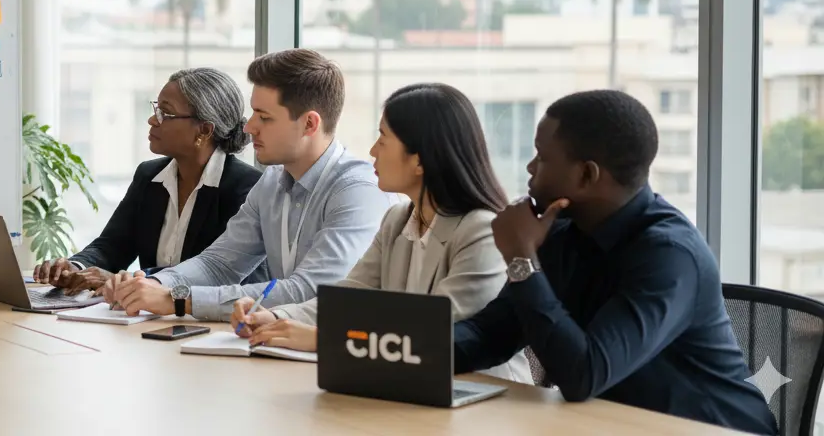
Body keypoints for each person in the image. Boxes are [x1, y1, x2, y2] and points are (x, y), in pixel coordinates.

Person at [453, 90, 777, 434]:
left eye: (542, 157)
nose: (530, 168)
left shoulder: (670, 255)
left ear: (587, 175)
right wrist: (408, 350)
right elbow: (491, 334)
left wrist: (520, 258)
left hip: (714, 429)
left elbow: (583, 374)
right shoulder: (561, 232)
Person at [228, 83, 533, 383]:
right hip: (411, 386)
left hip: (482, 394)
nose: (373, 151)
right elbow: (350, 297)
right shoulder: (398, 219)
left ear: (419, 159)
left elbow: (436, 329)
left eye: (383, 139)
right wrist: (276, 317)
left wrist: (326, 339)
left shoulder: (481, 230)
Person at [105, 49, 393, 320]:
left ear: (309, 124)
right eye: (254, 112)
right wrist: (149, 284)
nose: (248, 126)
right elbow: (218, 264)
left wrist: (179, 299)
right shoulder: (272, 182)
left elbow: (309, 292)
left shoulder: (357, 191)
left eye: (264, 117)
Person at [32, 68, 265, 293]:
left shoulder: (247, 188)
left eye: (166, 113)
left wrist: (126, 281)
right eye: (156, 109)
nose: (153, 120)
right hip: (147, 319)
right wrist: (76, 267)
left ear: (204, 130)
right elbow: (113, 245)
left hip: (210, 324)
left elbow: (224, 276)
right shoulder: (149, 176)